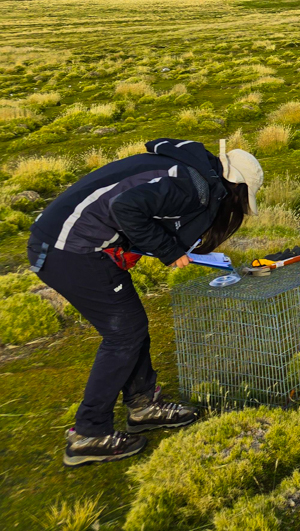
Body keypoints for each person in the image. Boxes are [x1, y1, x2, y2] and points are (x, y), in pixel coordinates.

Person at [27, 138, 263, 466]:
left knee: (130, 327)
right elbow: (124, 208)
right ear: (234, 189)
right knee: (124, 333)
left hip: (69, 242)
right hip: (70, 249)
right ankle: (89, 433)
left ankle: (143, 405)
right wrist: (169, 251)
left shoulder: (186, 170)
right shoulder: (192, 186)